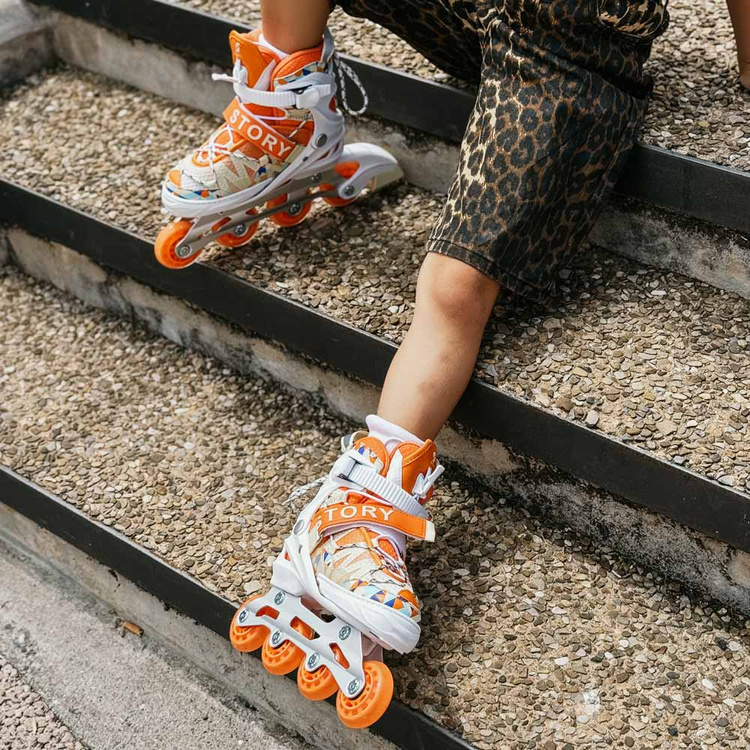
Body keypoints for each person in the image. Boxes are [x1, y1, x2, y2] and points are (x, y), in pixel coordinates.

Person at [163, 0, 735, 729]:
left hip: (565, 56)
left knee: (454, 287)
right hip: (481, 12)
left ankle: (358, 511)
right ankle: (288, 118)